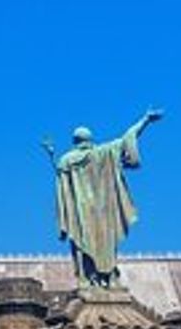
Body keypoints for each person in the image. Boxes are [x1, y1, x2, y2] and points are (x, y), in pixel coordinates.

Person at [45, 109, 163, 287]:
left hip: (81, 212)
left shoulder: (67, 160)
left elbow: (63, 186)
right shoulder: (103, 152)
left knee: (81, 241)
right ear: (90, 140)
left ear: (75, 141)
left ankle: (86, 278)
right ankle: (110, 277)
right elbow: (128, 137)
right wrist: (145, 120)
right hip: (104, 211)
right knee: (107, 242)